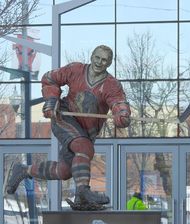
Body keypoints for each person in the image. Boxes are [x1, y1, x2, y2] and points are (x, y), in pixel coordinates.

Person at [6, 45, 131, 210]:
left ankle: (24, 170)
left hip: (85, 131)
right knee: (84, 147)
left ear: (109, 63)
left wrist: (122, 115)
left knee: (65, 171)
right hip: (64, 117)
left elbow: (118, 102)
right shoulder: (76, 69)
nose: (99, 62)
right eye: (97, 57)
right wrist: (51, 100)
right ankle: (83, 192)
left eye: (104, 60)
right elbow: (50, 78)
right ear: (92, 56)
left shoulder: (111, 84)